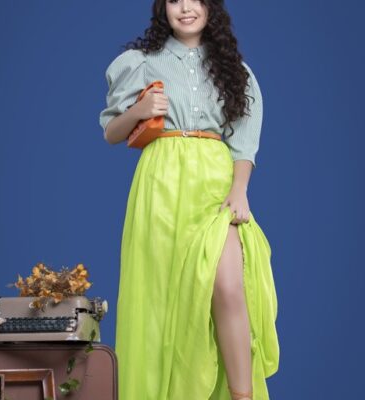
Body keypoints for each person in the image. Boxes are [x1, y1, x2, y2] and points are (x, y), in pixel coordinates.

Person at [99, 1, 280, 399]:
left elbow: (244, 143)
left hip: (216, 185)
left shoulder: (236, 71)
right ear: (162, 8)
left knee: (229, 287)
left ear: (210, 7)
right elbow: (112, 131)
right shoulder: (139, 63)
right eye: (174, 0)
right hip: (161, 186)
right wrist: (139, 110)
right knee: (161, 300)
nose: (185, 8)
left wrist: (239, 191)